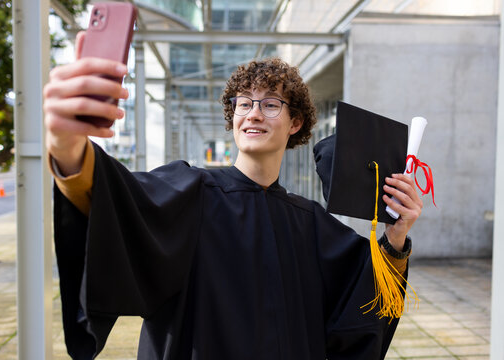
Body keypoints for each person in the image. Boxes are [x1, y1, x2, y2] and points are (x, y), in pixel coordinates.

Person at [44, 31, 423, 360]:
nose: (253, 114)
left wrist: (397, 233)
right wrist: (66, 146)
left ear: (296, 123)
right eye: (244, 103)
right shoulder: (189, 192)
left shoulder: (310, 224)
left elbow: (359, 311)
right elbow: (114, 200)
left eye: (270, 104)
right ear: (233, 118)